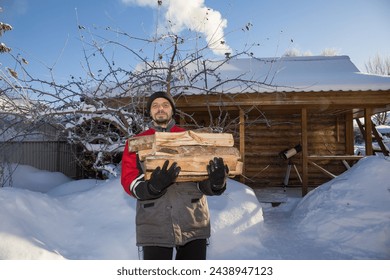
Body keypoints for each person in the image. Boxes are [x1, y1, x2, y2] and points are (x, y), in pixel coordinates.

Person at [121, 91, 229, 260]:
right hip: (155, 222)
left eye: (165, 105)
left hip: (192, 219)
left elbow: (200, 181)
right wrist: (151, 187)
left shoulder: (191, 139)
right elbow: (129, 180)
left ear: (172, 110)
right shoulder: (137, 143)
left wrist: (216, 184)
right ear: (149, 112)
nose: (160, 109)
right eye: (155, 106)